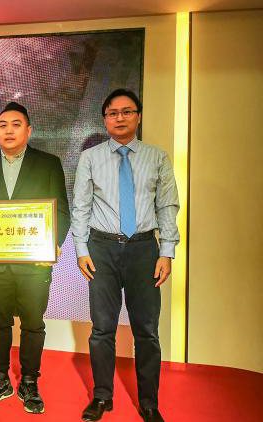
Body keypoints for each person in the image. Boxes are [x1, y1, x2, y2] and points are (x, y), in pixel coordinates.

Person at [71, 89, 179, 422]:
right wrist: (81, 250)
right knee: (102, 328)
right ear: (105, 119)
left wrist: (167, 252)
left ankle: (149, 402)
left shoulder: (157, 157)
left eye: (127, 111)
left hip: (144, 249)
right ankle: (102, 396)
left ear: (138, 116)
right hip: (101, 249)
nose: (120, 118)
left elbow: (167, 206)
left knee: (146, 330)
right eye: (112, 113)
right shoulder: (90, 158)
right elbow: (81, 207)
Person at [0, 102, 70, 414]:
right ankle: (0, 379)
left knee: (33, 324)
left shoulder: (48, 163)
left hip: (34, 262)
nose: (8, 130)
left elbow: (61, 211)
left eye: (16, 124)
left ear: (28, 130)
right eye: (3, 125)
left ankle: (29, 381)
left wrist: (53, 245)